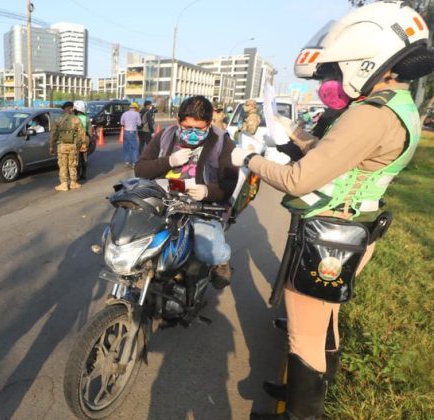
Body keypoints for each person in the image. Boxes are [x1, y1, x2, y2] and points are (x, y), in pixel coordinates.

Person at [230, 2, 434, 418]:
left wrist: (248, 160)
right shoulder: (396, 105)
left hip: (330, 238)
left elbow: (296, 179)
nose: (335, 80)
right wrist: (296, 136)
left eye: (338, 69)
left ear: (365, 57)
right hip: (348, 232)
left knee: (304, 336)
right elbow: (338, 156)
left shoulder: (370, 115)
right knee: (326, 322)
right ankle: (303, 391)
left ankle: (302, 411)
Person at [136, 95, 239, 288]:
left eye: (199, 129)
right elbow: (140, 169)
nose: (192, 133)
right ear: (178, 121)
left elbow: (229, 183)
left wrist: (207, 191)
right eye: (187, 127)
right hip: (163, 203)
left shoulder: (222, 142)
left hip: (201, 208)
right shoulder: (165, 136)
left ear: (208, 124)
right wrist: (169, 161)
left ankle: (222, 260)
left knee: (209, 252)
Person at [50, 101, 87, 191]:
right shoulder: (76, 119)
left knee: (63, 165)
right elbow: (82, 133)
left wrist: (51, 146)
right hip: (73, 145)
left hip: (62, 145)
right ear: (71, 108)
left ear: (64, 109)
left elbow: (53, 134)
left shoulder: (58, 119)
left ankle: (64, 184)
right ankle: (73, 183)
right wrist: (83, 144)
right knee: (72, 164)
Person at [120, 102, 142, 167]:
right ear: (135, 108)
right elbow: (139, 124)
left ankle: (127, 162)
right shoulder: (137, 114)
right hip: (132, 132)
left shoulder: (124, 113)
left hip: (126, 132)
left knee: (126, 147)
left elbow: (122, 123)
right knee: (134, 148)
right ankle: (134, 163)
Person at [73, 100, 90, 180]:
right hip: (84, 140)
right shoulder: (86, 118)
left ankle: (77, 175)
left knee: (76, 158)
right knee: (84, 157)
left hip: (75, 140)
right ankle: (84, 174)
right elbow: (90, 132)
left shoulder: (72, 118)